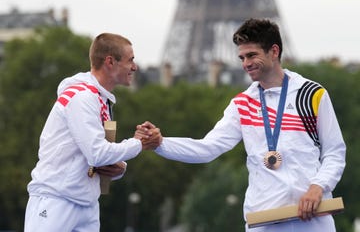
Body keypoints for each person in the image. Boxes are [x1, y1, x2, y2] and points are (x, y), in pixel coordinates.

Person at [137, 18, 346, 232]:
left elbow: (335, 152)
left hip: (313, 218)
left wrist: (318, 187)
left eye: (252, 55)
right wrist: (160, 144)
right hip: (264, 221)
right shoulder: (241, 104)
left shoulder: (312, 94)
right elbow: (207, 148)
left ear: (274, 51)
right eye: (242, 57)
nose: (246, 63)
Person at [24, 33, 162, 232]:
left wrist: (119, 169)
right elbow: (97, 153)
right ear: (110, 62)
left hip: (85, 204)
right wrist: (138, 143)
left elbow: (93, 157)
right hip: (56, 200)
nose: (135, 67)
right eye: (130, 60)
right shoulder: (82, 97)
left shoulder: (100, 98)